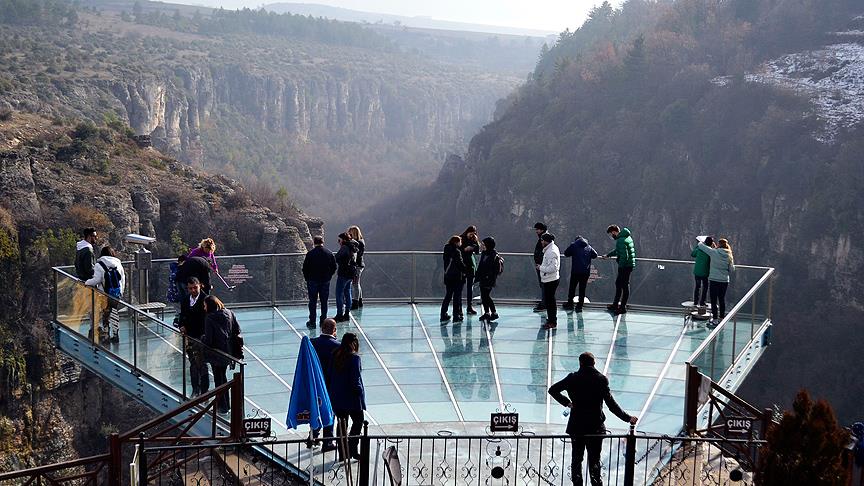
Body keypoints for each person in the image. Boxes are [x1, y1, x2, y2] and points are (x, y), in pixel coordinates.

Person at [548, 352, 637, 486]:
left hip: (577, 426)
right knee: (594, 460)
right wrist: (627, 418)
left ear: (580, 363)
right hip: (595, 427)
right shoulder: (601, 379)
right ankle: (596, 483)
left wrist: (567, 403)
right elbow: (611, 404)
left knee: (576, 459)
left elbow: (553, 390)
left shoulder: (572, 378)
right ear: (594, 363)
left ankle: (577, 484)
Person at [329, 332, 366, 461]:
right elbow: (355, 379)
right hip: (352, 397)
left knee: (341, 425)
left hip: (337, 397)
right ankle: (352, 448)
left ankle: (343, 453)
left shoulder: (335, 354)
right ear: (353, 343)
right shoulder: (354, 358)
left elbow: (330, 374)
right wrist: (359, 391)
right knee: (358, 421)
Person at [202, 295, 240, 414]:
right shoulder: (229, 313)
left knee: (219, 380)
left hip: (216, 353)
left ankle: (222, 406)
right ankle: (225, 405)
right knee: (223, 377)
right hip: (228, 352)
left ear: (209, 306)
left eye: (205, 305)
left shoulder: (210, 318)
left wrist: (202, 339)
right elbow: (237, 330)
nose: (204, 308)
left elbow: (209, 340)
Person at [85, 245, 126, 343]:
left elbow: (96, 280)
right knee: (114, 313)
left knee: (106, 314)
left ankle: (106, 335)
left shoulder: (99, 265)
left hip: (104, 294)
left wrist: (87, 283)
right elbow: (123, 279)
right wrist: (121, 292)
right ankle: (116, 335)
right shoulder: (118, 264)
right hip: (116, 294)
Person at [310, 318, 340, 452]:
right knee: (329, 411)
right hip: (330, 384)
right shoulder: (337, 346)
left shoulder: (312, 343)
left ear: (322, 328)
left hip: (315, 383)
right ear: (334, 330)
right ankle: (327, 441)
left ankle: (313, 436)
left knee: (315, 408)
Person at [179, 277, 209, 396]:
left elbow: (208, 319)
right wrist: (181, 325)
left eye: (195, 288)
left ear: (199, 286)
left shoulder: (206, 299)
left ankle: (204, 391)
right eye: (190, 288)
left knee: (202, 364)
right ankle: (195, 389)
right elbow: (182, 315)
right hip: (190, 336)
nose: (193, 290)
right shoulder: (186, 300)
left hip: (201, 337)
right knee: (193, 363)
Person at [696, 237, 735, 327]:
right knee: (722, 299)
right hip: (724, 281)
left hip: (714, 280)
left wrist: (705, 242)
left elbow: (700, 245)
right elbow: (732, 269)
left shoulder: (714, 252)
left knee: (713, 300)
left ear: (718, 245)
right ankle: (722, 318)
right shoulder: (729, 255)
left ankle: (715, 319)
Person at [302, 236, 337, 328]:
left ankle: (312, 321)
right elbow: (334, 267)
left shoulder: (310, 254)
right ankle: (323, 321)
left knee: (312, 301)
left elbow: (305, 268)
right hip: (325, 280)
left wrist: (307, 278)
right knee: (324, 301)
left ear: (314, 242)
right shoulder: (329, 253)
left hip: (312, 280)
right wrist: (329, 276)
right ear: (323, 242)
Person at [600, 225, 636, 315]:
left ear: (614, 232)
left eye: (611, 234)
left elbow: (624, 255)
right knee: (620, 284)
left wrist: (621, 266)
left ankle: (622, 307)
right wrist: (608, 255)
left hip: (625, 266)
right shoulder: (626, 237)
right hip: (629, 265)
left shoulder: (620, 240)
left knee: (623, 285)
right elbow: (618, 251)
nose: (611, 236)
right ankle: (616, 305)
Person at [563, 236, 599, 313]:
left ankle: (570, 303)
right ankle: (580, 306)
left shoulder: (574, 245)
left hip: (575, 271)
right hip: (585, 272)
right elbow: (595, 255)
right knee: (582, 289)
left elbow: (566, 253)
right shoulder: (588, 247)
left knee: (572, 287)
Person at [475, 236, 503, 322]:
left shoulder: (493, 255)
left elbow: (493, 269)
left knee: (486, 296)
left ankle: (493, 312)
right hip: (483, 278)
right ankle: (487, 313)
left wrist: (487, 276)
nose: (482, 246)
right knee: (484, 296)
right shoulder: (485, 253)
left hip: (489, 279)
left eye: (484, 245)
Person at [537, 233, 561, 329]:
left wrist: (540, 268)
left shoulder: (551, 252)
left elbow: (553, 268)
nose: (541, 242)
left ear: (546, 241)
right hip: (550, 279)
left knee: (550, 302)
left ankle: (552, 321)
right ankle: (551, 319)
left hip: (550, 280)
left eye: (542, 240)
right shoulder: (550, 249)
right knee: (550, 301)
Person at [441, 235, 466, 322]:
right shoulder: (457, 252)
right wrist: (466, 270)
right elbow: (460, 264)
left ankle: (443, 314)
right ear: (456, 242)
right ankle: (456, 316)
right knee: (456, 297)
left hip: (448, 276)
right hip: (457, 277)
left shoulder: (446, 250)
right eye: (460, 242)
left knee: (448, 296)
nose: (460, 243)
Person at [334, 233, 358, 322]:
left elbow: (336, 257)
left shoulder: (344, 247)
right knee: (348, 293)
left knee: (339, 294)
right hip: (351, 273)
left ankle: (339, 314)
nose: (338, 242)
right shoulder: (353, 247)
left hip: (343, 273)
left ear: (344, 240)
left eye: (339, 240)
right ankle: (347, 313)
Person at [459, 226, 481, 315]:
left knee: (470, 287)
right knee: (460, 287)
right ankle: (459, 308)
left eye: (473, 234)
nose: (471, 236)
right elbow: (459, 250)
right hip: (462, 265)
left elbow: (477, 251)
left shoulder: (473, 240)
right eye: (470, 234)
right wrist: (465, 249)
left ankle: (469, 307)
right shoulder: (461, 239)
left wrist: (475, 243)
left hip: (470, 265)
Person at [691, 236, 714, 312]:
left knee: (697, 287)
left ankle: (695, 301)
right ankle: (702, 302)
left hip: (697, 271)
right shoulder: (710, 251)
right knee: (705, 287)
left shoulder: (699, 249)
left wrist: (698, 246)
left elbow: (693, 254)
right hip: (705, 272)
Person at [347, 226, 366, 310]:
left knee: (355, 284)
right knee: (357, 283)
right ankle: (360, 301)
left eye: (350, 233)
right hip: (360, 264)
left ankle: (355, 302)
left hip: (357, 265)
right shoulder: (361, 241)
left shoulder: (358, 243)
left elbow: (356, 254)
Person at [533, 223, 548, 312]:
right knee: (543, 285)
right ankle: (544, 302)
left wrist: (540, 264)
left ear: (542, 230)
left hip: (542, 267)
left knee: (544, 285)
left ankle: (544, 303)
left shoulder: (544, 239)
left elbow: (542, 253)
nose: (536, 231)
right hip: (541, 266)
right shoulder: (543, 238)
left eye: (537, 229)